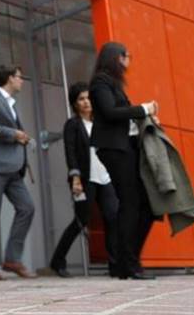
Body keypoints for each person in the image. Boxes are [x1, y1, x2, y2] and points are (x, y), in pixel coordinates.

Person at [89, 42, 158, 280]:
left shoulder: (113, 83)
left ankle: (125, 262)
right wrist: (143, 109)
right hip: (114, 149)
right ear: (116, 57)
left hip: (125, 147)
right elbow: (110, 112)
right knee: (131, 203)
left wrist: (144, 118)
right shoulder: (100, 82)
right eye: (127, 56)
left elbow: (121, 116)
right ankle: (128, 264)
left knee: (144, 205)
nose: (129, 61)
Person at [49, 82, 119, 278]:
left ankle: (115, 265)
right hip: (84, 179)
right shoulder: (73, 125)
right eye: (81, 99)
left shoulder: (101, 123)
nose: (86, 102)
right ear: (75, 103)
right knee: (81, 221)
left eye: (88, 98)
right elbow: (70, 152)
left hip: (105, 178)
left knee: (112, 217)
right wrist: (75, 178)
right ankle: (57, 261)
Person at [0, 64, 36, 281]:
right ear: (10, 78)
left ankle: (12, 259)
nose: (22, 81)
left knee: (27, 208)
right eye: (19, 77)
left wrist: (20, 137)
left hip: (13, 170)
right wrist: (14, 134)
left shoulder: (11, 104)